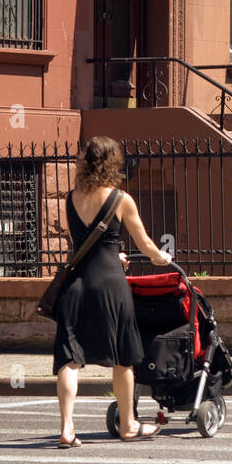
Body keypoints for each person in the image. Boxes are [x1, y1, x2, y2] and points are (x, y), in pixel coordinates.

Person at [54, 135, 170, 445]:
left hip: (77, 286)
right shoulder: (121, 199)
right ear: (112, 163)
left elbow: (80, 244)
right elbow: (145, 244)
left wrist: (108, 253)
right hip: (110, 286)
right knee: (122, 359)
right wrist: (162, 257)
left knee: (70, 359)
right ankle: (129, 424)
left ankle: (67, 428)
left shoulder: (70, 198)